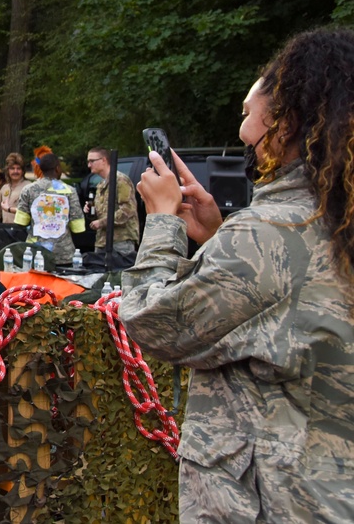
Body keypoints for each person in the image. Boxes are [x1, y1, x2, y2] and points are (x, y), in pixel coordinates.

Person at [119, 27, 354, 523]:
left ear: (285, 123)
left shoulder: (266, 234)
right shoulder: (333, 218)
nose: (243, 130)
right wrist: (219, 236)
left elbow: (152, 321)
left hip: (273, 503)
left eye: (248, 114)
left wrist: (162, 221)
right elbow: (285, 307)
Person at [14, 153, 85, 266]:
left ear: (41, 169)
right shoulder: (70, 191)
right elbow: (78, 227)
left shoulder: (28, 190)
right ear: (57, 168)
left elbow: (20, 222)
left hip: (35, 253)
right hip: (64, 255)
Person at [85, 147, 139, 258]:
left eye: (92, 161)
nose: (89, 165)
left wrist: (101, 222)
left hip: (120, 241)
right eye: (88, 161)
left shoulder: (120, 180)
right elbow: (102, 213)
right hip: (102, 241)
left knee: (119, 273)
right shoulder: (101, 185)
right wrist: (90, 211)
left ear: (104, 160)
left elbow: (127, 210)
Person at [0, 152, 29, 223]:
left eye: (18, 168)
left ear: (23, 171)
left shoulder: (29, 187)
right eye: (12, 168)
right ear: (8, 170)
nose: (15, 171)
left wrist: (9, 209)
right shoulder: (4, 188)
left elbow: (30, 211)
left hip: (22, 231)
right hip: (5, 231)